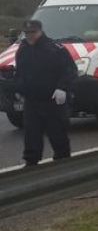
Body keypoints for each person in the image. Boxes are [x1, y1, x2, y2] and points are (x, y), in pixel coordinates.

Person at [14, 19, 78, 166]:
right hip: (32, 101)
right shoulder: (22, 50)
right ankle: (31, 163)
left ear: (41, 31)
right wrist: (19, 89)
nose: (30, 36)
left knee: (58, 134)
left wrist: (63, 87)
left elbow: (70, 70)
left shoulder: (55, 49)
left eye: (33, 32)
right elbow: (21, 73)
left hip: (53, 100)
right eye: (27, 33)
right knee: (31, 135)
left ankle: (63, 163)